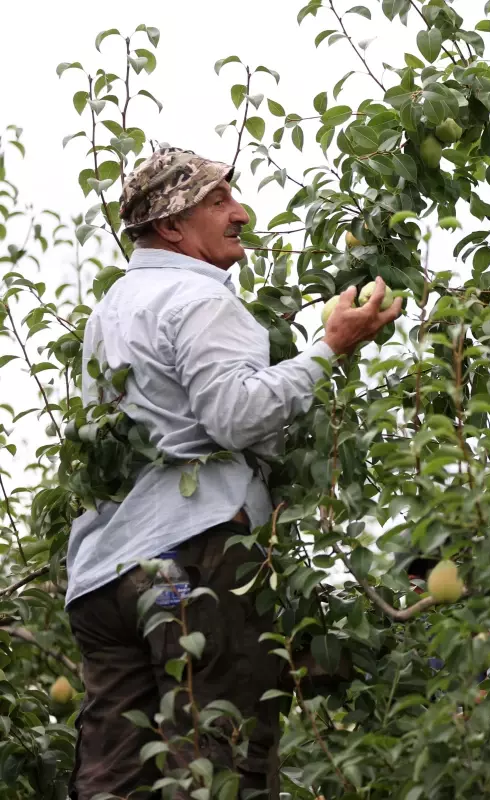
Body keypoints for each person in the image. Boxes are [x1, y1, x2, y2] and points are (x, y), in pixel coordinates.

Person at [64, 146, 400, 799]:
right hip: (192, 566)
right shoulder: (201, 299)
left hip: (105, 577)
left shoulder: (113, 308)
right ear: (170, 227)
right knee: (218, 762)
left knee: (115, 780)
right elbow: (236, 417)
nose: (240, 212)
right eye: (219, 202)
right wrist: (330, 347)